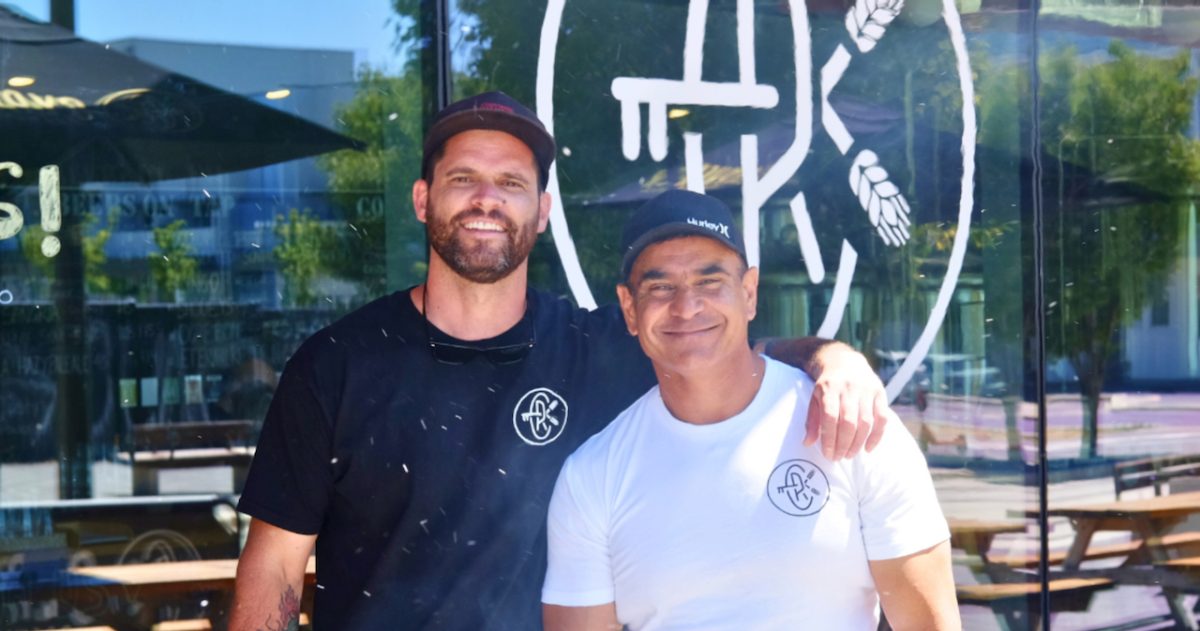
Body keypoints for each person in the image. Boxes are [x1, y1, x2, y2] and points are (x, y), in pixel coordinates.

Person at [230, 92, 895, 630]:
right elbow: (276, 571)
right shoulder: (337, 364)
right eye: (463, 179)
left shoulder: (600, 347)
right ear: (422, 200)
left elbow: (726, 352)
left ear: (542, 211)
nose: (486, 199)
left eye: (511, 183)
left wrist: (833, 359)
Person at [541, 190, 958, 631]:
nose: (687, 306)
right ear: (629, 308)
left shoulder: (853, 425)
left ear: (749, 293)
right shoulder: (592, 475)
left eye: (709, 281)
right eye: (660, 287)